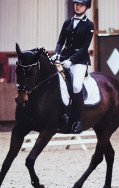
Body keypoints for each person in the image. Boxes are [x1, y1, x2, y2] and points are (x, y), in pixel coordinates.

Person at [51, 0, 94, 134]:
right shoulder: (67, 22)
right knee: (55, 82)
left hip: (79, 61)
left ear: (86, 7)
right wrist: (56, 53)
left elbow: (84, 47)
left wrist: (72, 60)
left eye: (81, 5)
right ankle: (60, 113)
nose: (78, 6)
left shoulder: (89, 25)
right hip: (64, 58)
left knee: (76, 86)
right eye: (76, 4)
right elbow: (60, 41)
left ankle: (80, 120)